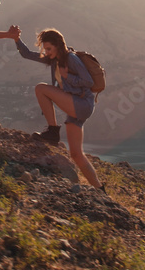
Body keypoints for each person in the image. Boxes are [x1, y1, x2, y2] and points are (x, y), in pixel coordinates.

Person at [13, 28, 105, 193]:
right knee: (76, 154)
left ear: (58, 46)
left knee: (41, 89)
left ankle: (53, 131)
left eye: (49, 49)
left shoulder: (71, 59)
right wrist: (16, 39)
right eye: (45, 49)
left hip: (82, 103)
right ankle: (100, 189)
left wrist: (67, 76)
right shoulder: (54, 59)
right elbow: (27, 54)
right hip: (76, 106)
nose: (46, 53)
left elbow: (88, 82)